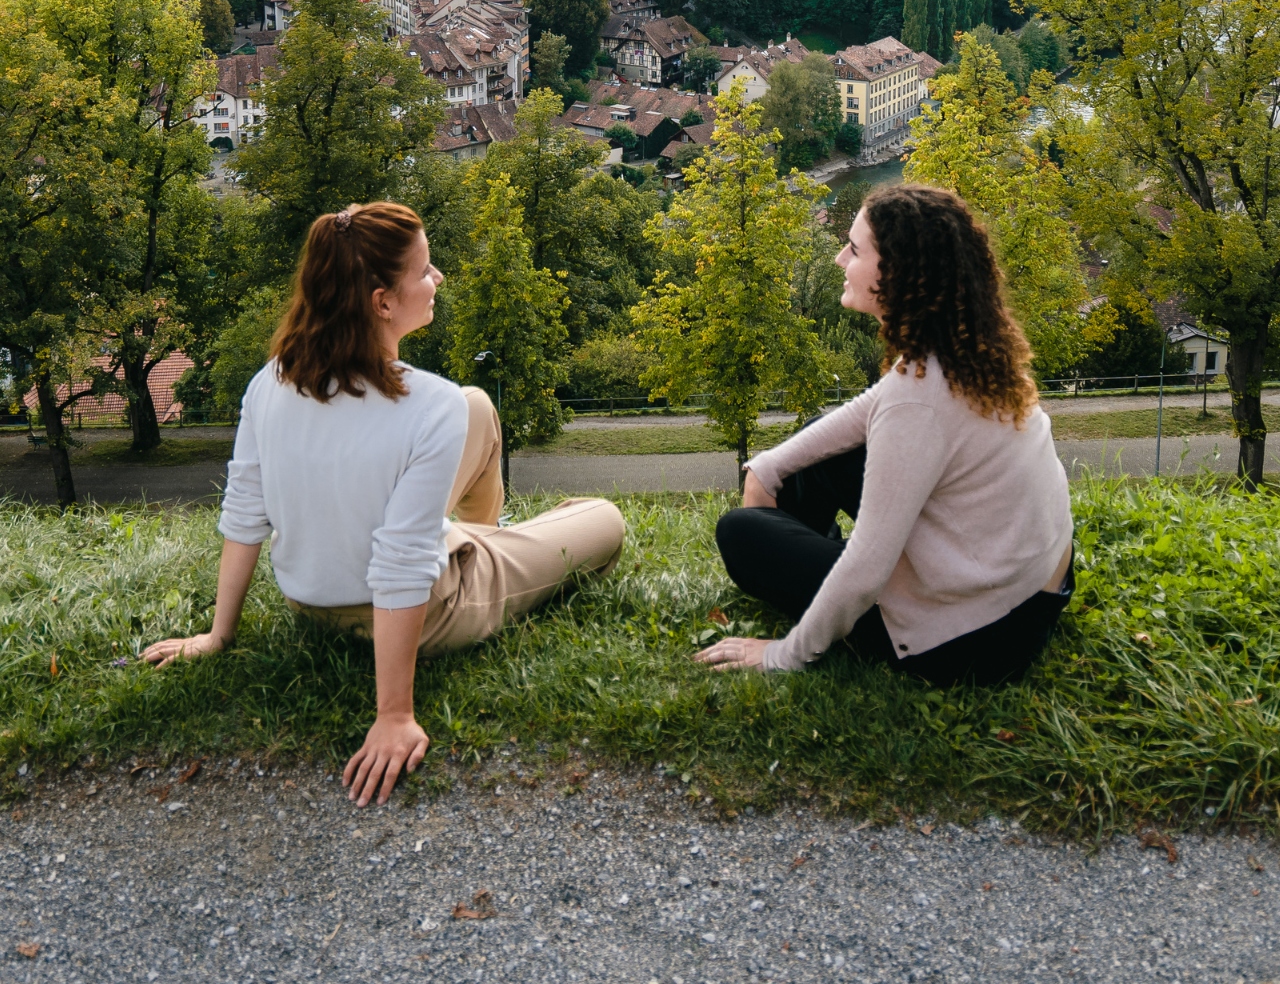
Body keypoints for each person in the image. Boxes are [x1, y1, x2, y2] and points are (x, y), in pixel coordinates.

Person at [143, 201, 624, 805]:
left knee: (478, 405)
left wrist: (220, 633)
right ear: (382, 303)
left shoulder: (272, 379)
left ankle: (481, 537)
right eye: (424, 271)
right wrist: (394, 713)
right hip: (417, 610)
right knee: (604, 518)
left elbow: (245, 511)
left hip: (308, 599)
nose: (437, 278)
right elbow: (400, 566)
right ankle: (483, 555)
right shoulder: (429, 404)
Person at [697, 183, 1073, 685]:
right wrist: (767, 466)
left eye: (854, 250)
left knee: (742, 533)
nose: (839, 259)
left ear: (895, 274)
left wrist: (784, 654)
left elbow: (867, 567)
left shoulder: (917, 402)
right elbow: (868, 409)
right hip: (1034, 587)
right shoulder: (964, 348)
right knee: (814, 452)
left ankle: (829, 600)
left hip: (977, 639)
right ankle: (817, 565)